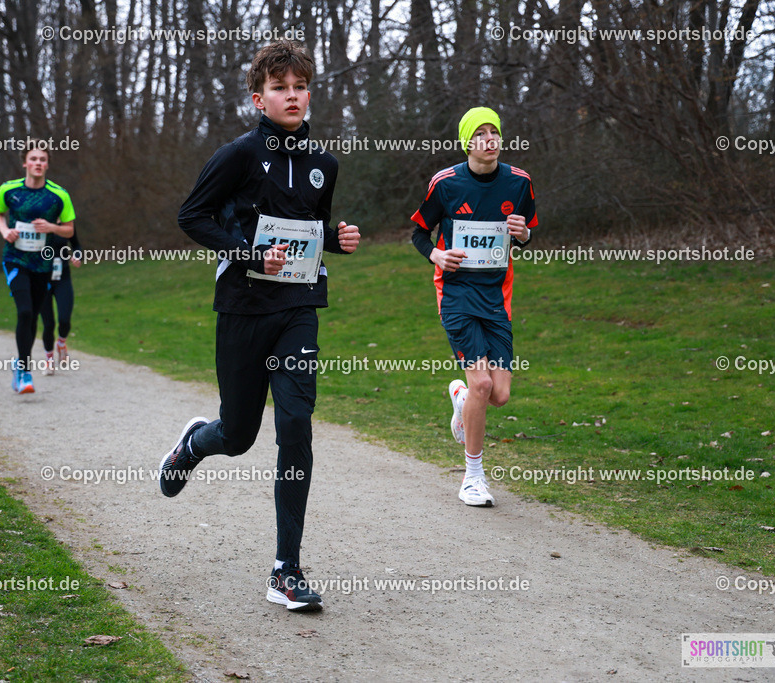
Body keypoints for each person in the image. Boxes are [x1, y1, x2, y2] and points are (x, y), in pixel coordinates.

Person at [162, 40, 361, 613]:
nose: (292, 96)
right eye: (280, 88)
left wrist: (337, 242)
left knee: (296, 426)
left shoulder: (325, 165)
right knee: (239, 434)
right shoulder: (238, 156)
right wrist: (248, 253)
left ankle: (286, 568)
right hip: (243, 310)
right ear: (260, 97)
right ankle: (196, 443)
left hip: (298, 310)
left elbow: (309, 234)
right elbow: (191, 216)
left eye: (300, 87)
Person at [410, 106, 538, 507]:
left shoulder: (519, 183)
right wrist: (436, 255)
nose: (489, 138)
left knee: (498, 394)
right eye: (480, 133)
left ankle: (464, 401)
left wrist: (524, 234)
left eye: (494, 131)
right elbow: (418, 232)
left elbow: (526, 232)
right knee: (482, 382)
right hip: (457, 294)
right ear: (468, 142)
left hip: (496, 297)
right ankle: (473, 477)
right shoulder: (446, 183)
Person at [0, 143, 76, 394]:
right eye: (33, 158)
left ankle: (20, 363)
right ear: (25, 163)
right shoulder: (9, 189)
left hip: (43, 264)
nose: (38, 163)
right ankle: (24, 371)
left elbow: (70, 229)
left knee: (34, 316)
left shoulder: (59, 195)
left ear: (47, 164)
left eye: (42, 159)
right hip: (15, 259)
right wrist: (5, 230)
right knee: (25, 312)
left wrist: (52, 228)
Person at [39, 229, 81, 374]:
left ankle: (61, 343)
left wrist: (77, 255)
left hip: (63, 277)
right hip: (41, 278)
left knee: (64, 319)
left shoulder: (66, 224)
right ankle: (49, 361)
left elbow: (76, 245)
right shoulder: (37, 222)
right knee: (48, 324)